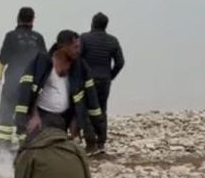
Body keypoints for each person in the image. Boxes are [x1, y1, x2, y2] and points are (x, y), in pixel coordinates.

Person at [14, 30, 106, 154]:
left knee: (58, 150)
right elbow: (25, 90)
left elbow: (92, 98)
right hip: (42, 115)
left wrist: (81, 122)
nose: (78, 50)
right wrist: (33, 115)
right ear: (63, 47)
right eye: (75, 47)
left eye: (79, 47)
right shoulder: (41, 61)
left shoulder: (80, 66)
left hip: (64, 119)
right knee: (32, 148)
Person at [0, 7, 47, 151]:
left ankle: (2, 149)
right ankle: (27, 147)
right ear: (33, 20)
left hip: (12, 83)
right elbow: (45, 63)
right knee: (27, 115)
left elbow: (2, 60)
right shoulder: (38, 38)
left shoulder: (11, 36)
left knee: (5, 113)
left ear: (18, 18)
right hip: (31, 87)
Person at [80, 12, 124, 149]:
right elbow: (120, 62)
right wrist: (111, 76)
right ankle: (101, 140)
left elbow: (78, 58)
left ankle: (90, 140)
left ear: (92, 23)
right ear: (106, 25)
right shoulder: (113, 40)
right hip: (105, 80)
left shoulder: (84, 38)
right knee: (102, 109)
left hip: (88, 80)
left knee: (87, 109)